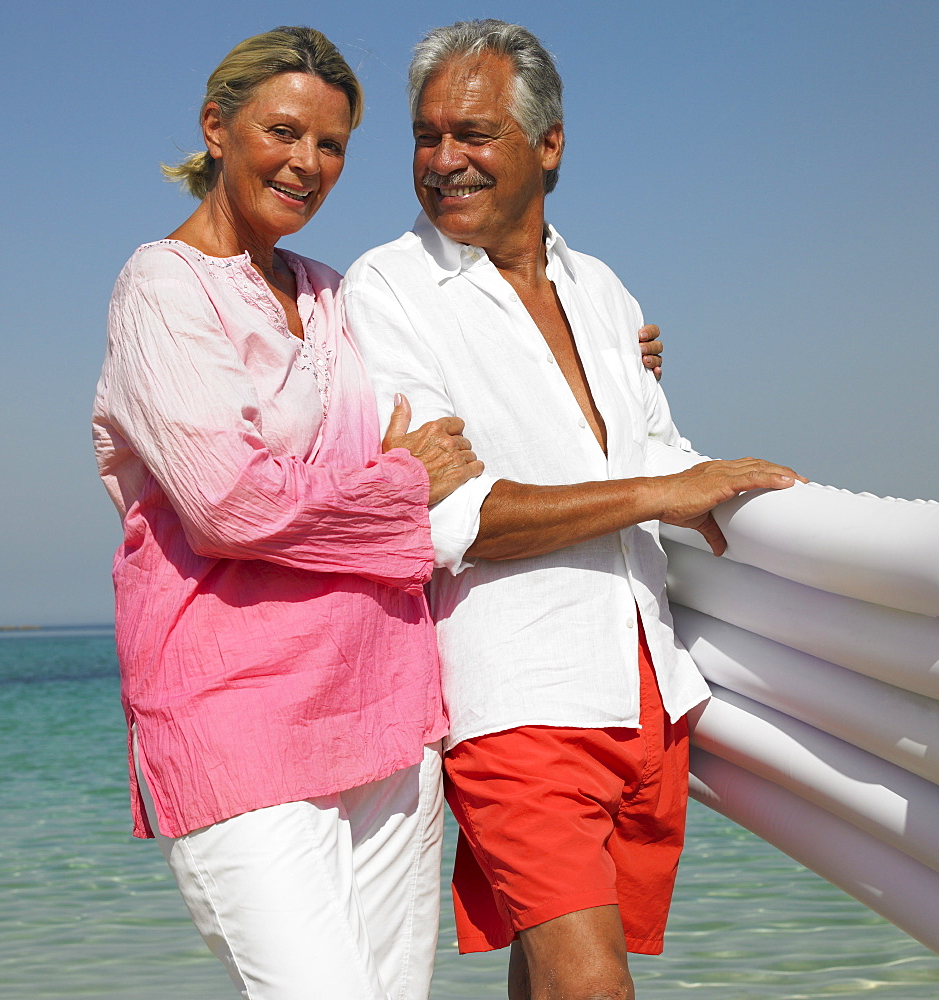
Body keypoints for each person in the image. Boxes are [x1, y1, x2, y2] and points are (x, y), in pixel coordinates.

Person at [342, 19, 807, 1000]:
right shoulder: (386, 290)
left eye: (472, 133)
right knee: (590, 986)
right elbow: (448, 516)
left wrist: (755, 505)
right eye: (426, 136)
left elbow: (659, 453)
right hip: (513, 697)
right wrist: (659, 493)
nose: (442, 160)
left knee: (552, 973)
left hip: (645, 683)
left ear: (547, 144)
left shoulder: (600, 289)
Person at [91, 27, 488, 1000]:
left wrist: (621, 353)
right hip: (239, 722)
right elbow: (232, 500)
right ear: (216, 128)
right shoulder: (163, 288)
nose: (308, 163)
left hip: (389, 717)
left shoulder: (337, 295)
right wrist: (399, 484)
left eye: (333, 143)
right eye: (284, 131)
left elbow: (461, 356)